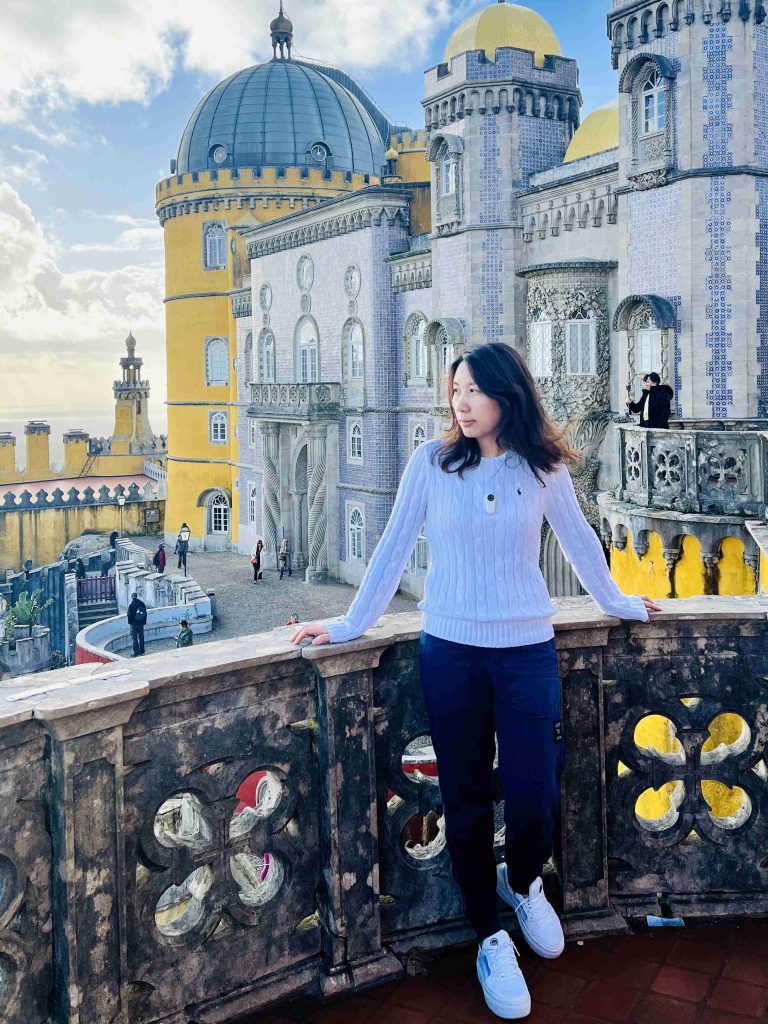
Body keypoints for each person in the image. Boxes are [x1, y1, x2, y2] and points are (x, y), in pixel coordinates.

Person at [292, 342, 660, 1021]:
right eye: (454, 389)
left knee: (534, 790)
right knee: (461, 796)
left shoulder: (543, 468)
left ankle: (523, 883)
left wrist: (621, 604)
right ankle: (490, 934)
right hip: (450, 652)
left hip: (525, 650)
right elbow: (392, 548)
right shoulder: (429, 464)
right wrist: (347, 626)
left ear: (506, 395)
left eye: (473, 390)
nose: (461, 402)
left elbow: (580, 544)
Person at [127, 591, 147, 657]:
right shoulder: (142, 604)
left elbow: (129, 615)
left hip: (134, 625)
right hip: (141, 624)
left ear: (132, 597)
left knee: (135, 639)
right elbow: (145, 613)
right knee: (141, 637)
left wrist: (130, 622)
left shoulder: (131, 605)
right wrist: (144, 622)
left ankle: (136, 652)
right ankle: (142, 651)